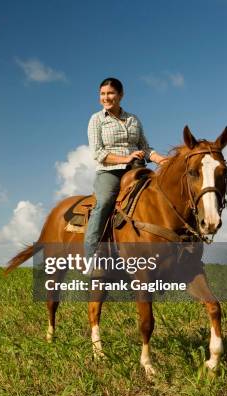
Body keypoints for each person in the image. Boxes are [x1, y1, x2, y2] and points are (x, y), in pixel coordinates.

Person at [84, 77, 167, 261]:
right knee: (104, 202)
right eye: (102, 94)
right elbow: (98, 153)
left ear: (121, 95)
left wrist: (162, 160)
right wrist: (126, 158)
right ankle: (90, 254)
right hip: (110, 171)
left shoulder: (133, 119)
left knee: (161, 194)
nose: (106, 98)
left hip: (136, 169)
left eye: (110, 93)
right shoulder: (96, 120)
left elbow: (145, 148)